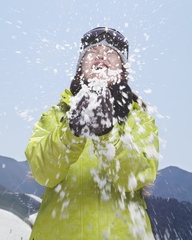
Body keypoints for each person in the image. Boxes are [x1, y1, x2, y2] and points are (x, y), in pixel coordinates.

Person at [25, 27, 159, 239]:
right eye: (92, 50)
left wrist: (108, 135)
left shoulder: (138, 119)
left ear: (123, 71)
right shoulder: (56, 114)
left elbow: (136, 176)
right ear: (80, 68)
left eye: (112, 52)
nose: (101, 54)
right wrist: (71, 132)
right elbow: (44, 172)